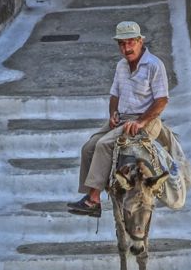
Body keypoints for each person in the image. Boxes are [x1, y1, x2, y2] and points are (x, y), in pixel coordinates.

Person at [67, 21, 169, 217]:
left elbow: (162, 100)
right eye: (122, 44)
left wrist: (141, 122)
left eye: (131, 42)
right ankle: (94, 189)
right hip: (122, 119)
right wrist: (113, 114)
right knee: (88, 147)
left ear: (140, 41)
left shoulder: (154, 65)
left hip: (145, 120)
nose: (126, 48)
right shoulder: (121, 66)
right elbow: (114, 95)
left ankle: (94, 200)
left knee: (104, 144)